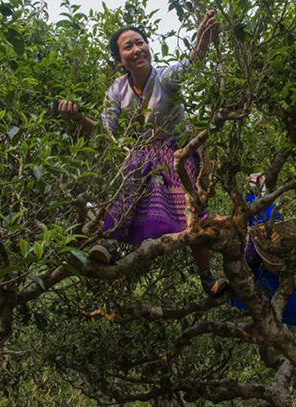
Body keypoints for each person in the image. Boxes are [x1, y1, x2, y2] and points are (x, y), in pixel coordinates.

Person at [58, 11, 227, 296]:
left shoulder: (165, 79)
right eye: (128, 47)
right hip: (141, 159)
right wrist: (77, 118)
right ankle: (111, 245)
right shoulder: (116, 90)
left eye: (140, 43)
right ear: (119, 59)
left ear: (148, 46)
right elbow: (105, 132)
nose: (137, 50)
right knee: (131, 172)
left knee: (194, 214)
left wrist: (203, 41)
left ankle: (207, 277)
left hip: (178, 157)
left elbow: (190, 65)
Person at [230, 174, 296, 327]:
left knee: (282, 300)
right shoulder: (249, 204)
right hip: (258, 255)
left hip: (273, 258)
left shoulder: (272, 207)